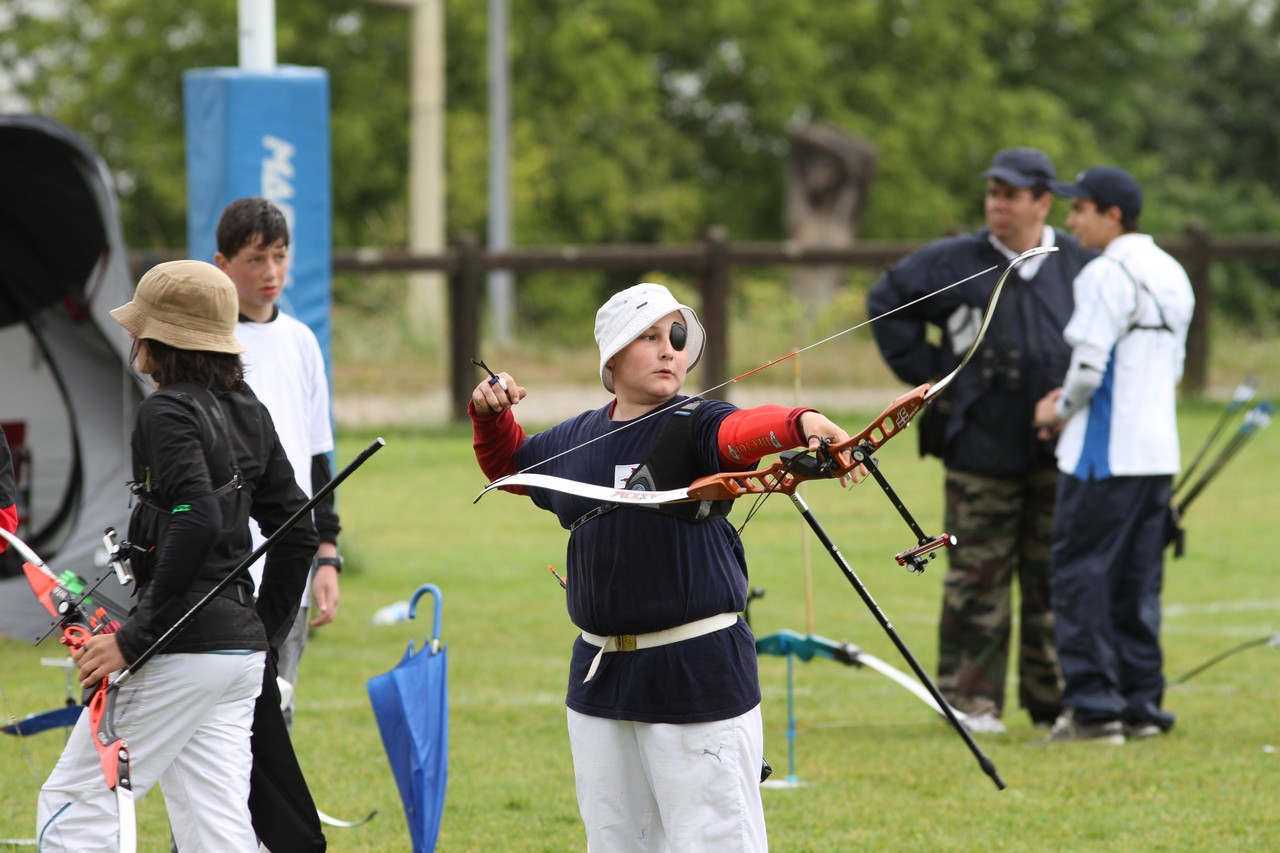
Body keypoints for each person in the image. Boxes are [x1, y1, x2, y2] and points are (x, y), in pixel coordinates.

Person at [470, 282, 859, 852]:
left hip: (694, 674)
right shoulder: (578, 438)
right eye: (648, 337)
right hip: (601, 681)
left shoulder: (695, 421)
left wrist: (801, 423)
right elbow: (513, 466)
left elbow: (739, 431)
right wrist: (490, 415)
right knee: (616, 843)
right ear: (612, 356)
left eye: (674, 337)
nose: (668, 350)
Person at [36, 260, 319, 850]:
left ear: (159, 340)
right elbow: (297, 534)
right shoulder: (249, 409)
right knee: (218, 835)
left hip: (182, 653)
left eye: (140, 328)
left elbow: (197, 516)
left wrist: (135, 638)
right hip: (234, 661)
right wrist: (257, 635)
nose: (132, 338)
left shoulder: (164, 411)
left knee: (73, 810)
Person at [865, 147, 1097, 733]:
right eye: (992, 193)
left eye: (1011, 194)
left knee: (1055, 578)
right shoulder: (954, 261)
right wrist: (935, 377)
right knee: (976, 579)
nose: (998, 204)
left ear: (1043, 202)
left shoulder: (1080, 261)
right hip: (979, 450)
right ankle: (972, 702)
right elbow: (884, 303)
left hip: (1060, 451)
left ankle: (1057, 702)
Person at [1033, 166, 1194, 743]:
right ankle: (1140, 706)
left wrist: (1055, 410)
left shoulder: (1104, 272)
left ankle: (1095, 712)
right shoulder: (1173, 271)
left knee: (1080, 577)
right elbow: (1171, 371)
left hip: (1103, 456)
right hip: (1157, 453)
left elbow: (1088, 369)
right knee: (1136, 580)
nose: (1070, 220)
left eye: (1079, 210)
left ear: (1112, 215)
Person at [214, 197, 342, 730]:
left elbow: (317, 455)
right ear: (222, 264)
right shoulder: (211, 345)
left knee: (276, 712)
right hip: (222, 562)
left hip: (287, 559)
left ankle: (272, 816)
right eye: (255, 259)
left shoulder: (302, 342)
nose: (270, 273)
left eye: (280, 257)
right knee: (219, 719)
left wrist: (327, 555)